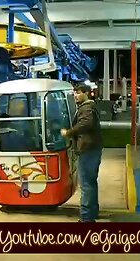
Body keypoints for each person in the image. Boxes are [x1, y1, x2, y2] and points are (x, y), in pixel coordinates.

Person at [61, 83, 103, 222]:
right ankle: (92, 213)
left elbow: (86, 123)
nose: (75, 95)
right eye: (74, 93)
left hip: (88, 149)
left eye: (78, 93)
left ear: (86, 93)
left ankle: (86, 219)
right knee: (91, 183)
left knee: (86, 184)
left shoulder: (87, 108)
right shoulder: (88, 106)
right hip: (92, 148)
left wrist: (69, 132)